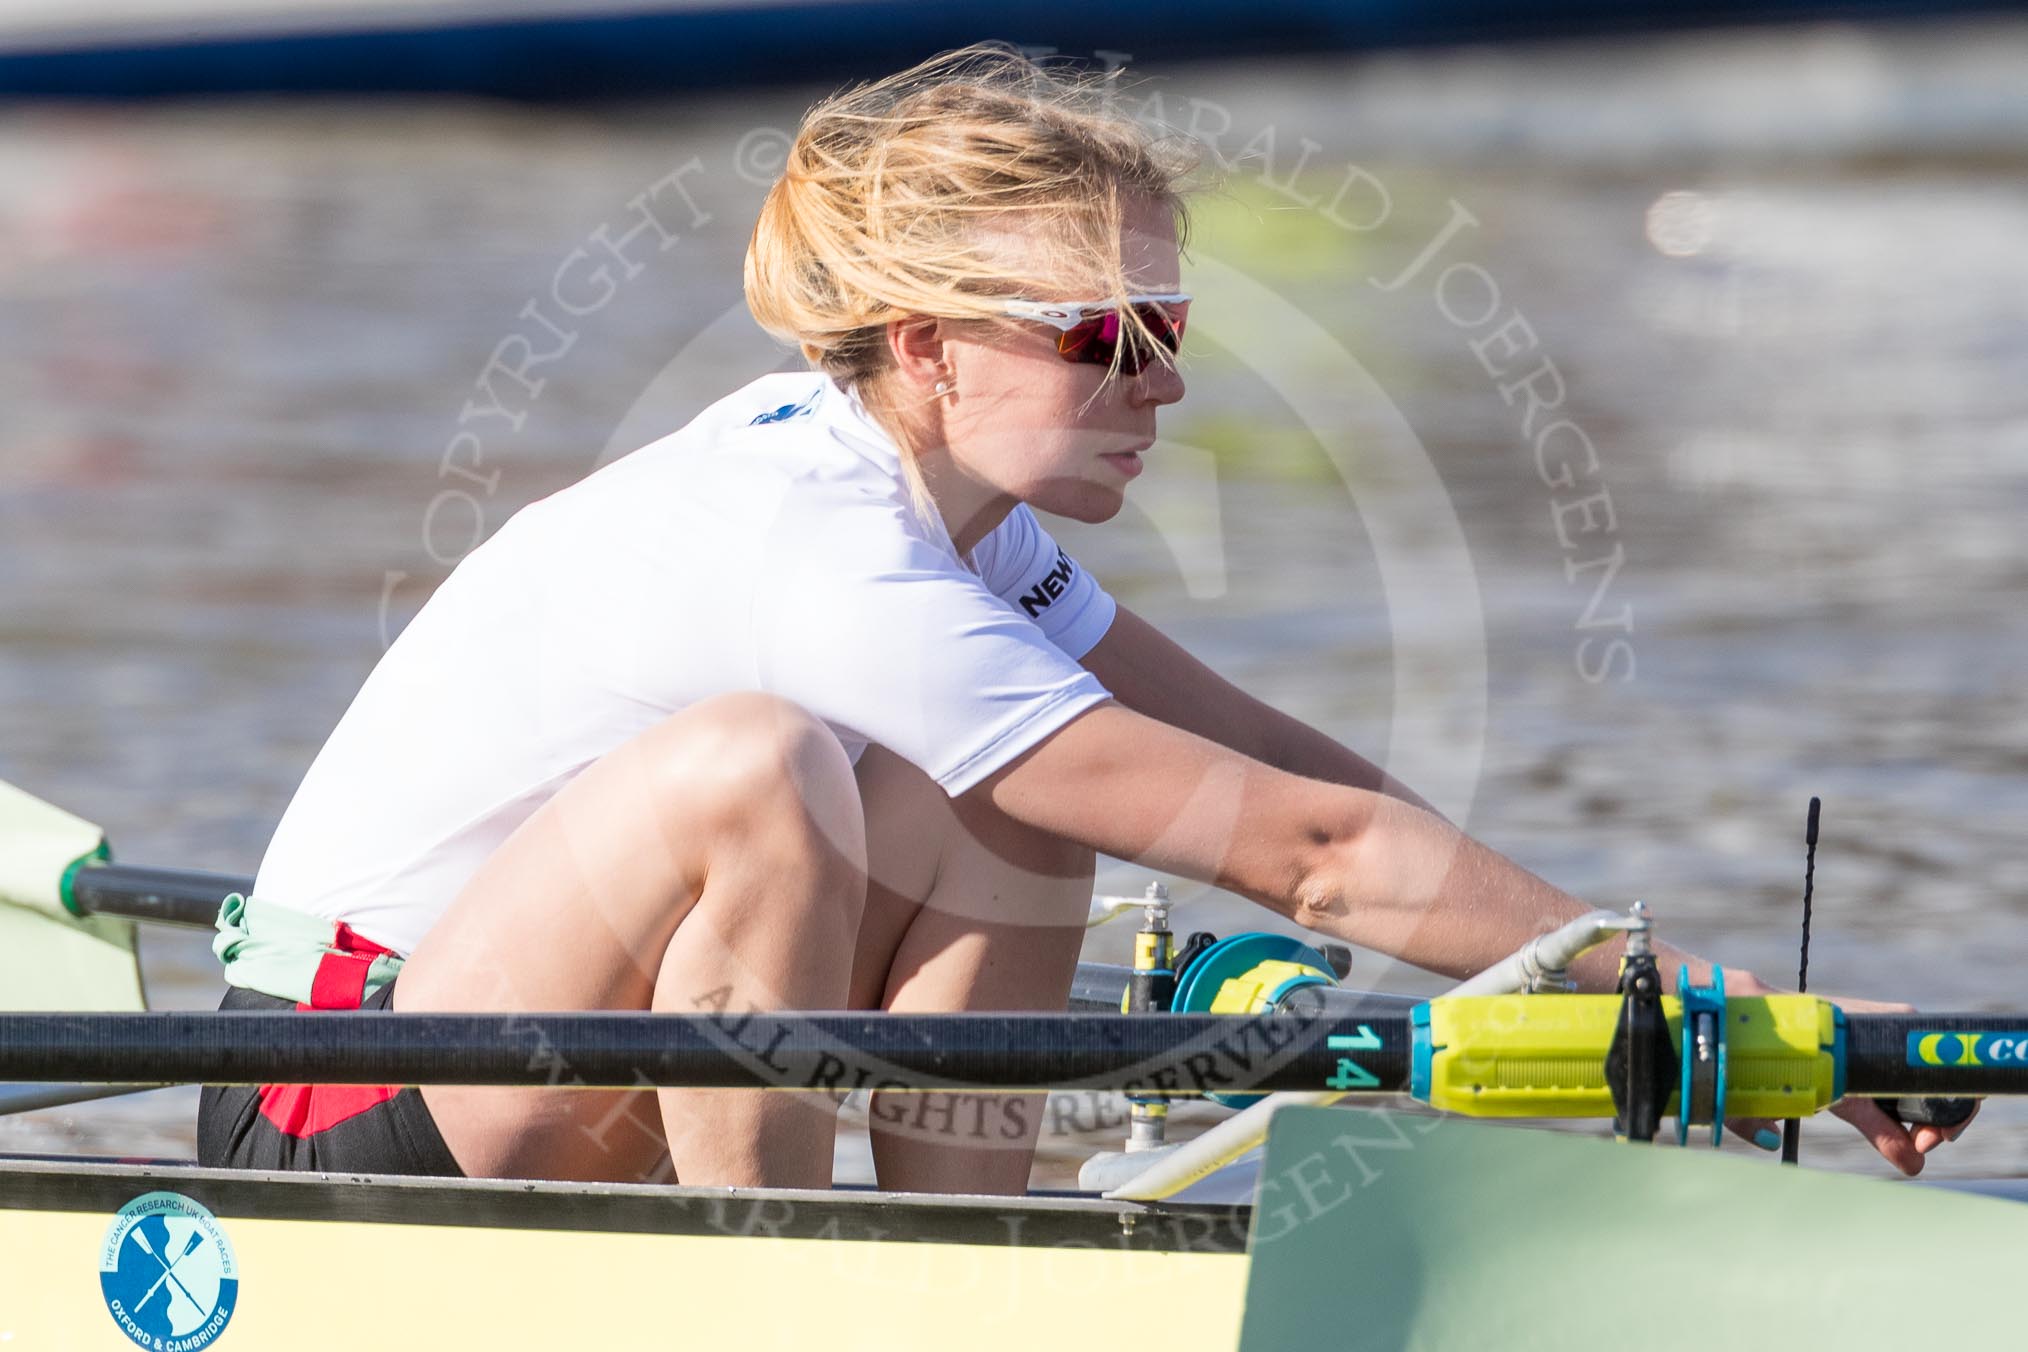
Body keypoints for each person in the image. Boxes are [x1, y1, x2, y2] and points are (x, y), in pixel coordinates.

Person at [197, 44, 1966, 1191]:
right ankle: (755, 1290)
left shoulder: (954, 525)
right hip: (324, 1116)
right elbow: (1317, 863)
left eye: (1171, 333)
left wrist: (1708, 1005)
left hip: (534, 1068)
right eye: (1108, 339)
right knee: (761, 766)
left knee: (1020, 778)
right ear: (926, 347)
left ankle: (971, 1246)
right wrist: (1722, 1033)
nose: (1161, 384)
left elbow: (1278, 774)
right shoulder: (814, 541)